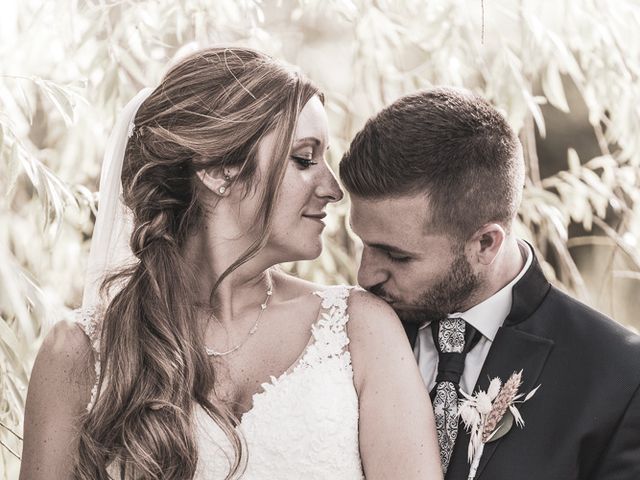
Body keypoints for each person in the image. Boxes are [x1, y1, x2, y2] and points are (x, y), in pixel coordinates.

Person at [20, 47, 443, 480]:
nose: (333, 188)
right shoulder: (77, 352)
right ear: (219, 170)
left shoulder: (361, 329)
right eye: (304, 158)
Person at [339, 86, 640, 479]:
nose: (365, 276)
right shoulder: (339, 339)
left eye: (397, 255)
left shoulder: (619, 375)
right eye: (360, 242)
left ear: (485, 243)